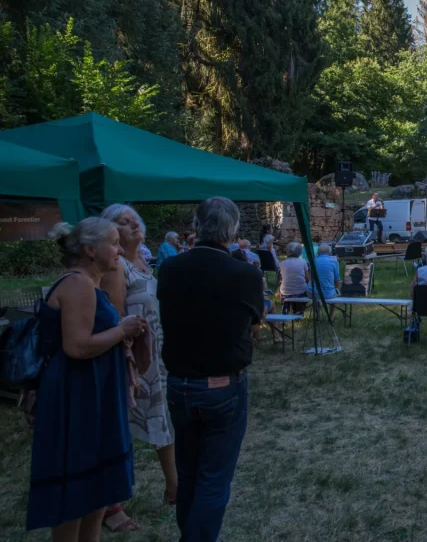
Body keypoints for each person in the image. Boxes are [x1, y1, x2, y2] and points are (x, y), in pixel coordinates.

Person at [27, 218, 146, 538]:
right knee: (76, 495)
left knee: (96, 492)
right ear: (91, 250)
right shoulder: (77, 283)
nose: (120, 249)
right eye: (114, 243)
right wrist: (121, 330)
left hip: (93, 390)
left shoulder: (89, 283)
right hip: (77, 396)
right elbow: (77, 347)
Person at [158, 197, 263, 542]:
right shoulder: (245, 273)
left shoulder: (171, 268)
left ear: (197, 225)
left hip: (179, 384)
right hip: (223, 385)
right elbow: (255, 324)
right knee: (213, 479)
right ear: (233, 231)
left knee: (188, 474)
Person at [100, 204, 177, 515]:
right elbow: (113, 318)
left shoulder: (142, 261)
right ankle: (111, 504)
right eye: (123, 222)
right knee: (123, 425)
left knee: (161, 417)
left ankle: (173, 485)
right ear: (110, 232)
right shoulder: (118, 267)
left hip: (154, 354)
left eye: (134, 220)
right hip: (132, 357)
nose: (132, 225)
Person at [279, 242, 311, 312]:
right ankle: (299, 311)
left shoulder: (282, 263)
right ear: (300, 252)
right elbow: (307, 278)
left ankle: (285, 310)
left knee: (282, 288)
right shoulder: (303, 262)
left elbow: (281, 279)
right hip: (301, 291)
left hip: (285, 292)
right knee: (304, 289)